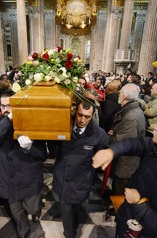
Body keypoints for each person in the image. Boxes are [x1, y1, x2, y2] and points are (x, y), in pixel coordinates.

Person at [0, 92, 46, 238]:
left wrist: (30, 148)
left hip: (28, 177)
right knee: (18, 215)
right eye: (3, 105)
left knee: (33, 208)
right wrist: (9, 119)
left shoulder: (31, 122)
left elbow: (42, 155)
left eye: (10, 106)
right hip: (9, 178)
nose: (6, 109)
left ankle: (36, 211)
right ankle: (23, 235)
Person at [51, 99, 109, 238]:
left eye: (87, 116)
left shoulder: (99, 135)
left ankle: (74, 225)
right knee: (66, 210)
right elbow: (53, 152)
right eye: (79, 114)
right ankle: (69, 234)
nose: (82, 120)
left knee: (75, 208)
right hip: (63, 177)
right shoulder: (64, 126)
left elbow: (102, 157)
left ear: (93, 116)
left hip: (81, 181)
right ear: (74, 112)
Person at [109, 83, 146, 195]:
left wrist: (110, 137)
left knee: (121, 193)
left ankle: (118, 211)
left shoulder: (132, 117)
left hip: (126, 164)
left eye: (120, 93)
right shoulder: (129, 109)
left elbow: (125, 143)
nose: (118, 95)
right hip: (123, 161)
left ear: (124, 96)